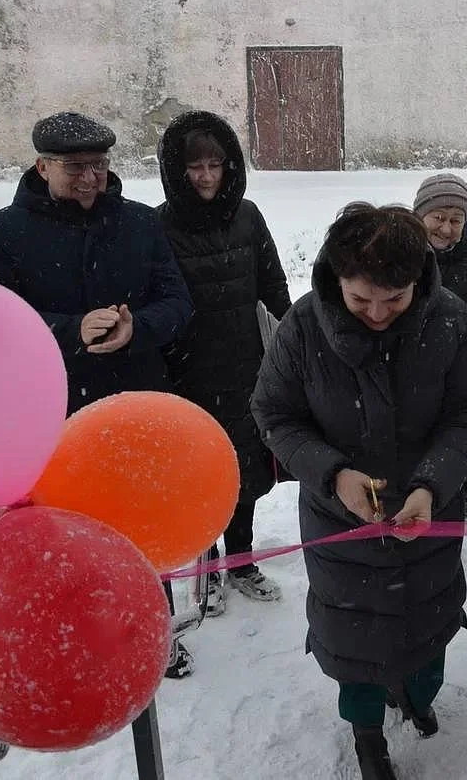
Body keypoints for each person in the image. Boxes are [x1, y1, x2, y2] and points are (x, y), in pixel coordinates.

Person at [251, 203, 467, 780]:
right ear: (336, 280)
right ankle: (366, 734)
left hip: (426, 512)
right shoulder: (304, 326)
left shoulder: (449, 321)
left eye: (395, 299)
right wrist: (333, 474)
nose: (379, 314)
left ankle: (418, 693)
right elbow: (275, 413)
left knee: (430, 618)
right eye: (362, 301)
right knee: (352, 636)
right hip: (340, 520)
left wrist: (433, 482)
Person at [0, 111, 194, 678]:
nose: (91, 178)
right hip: (54, 408)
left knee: (143, 521)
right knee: (67, 529)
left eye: (99, 165)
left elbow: (177, 301)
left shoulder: (142, 224)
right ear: (42, 166)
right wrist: (72, 329)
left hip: (136, 402)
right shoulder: (4, 231)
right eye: (75, 168)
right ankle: (83, 632)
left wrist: (135, 327)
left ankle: (152, 630)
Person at [157, 110, 292, 619]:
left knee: (244, 470)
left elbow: (274, 287)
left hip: (245, 369)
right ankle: (204, 561)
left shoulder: (249, 215)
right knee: (197, 476)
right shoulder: (159, 225)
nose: (207, 176)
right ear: (177, 169)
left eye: (215, 164)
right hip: (187, 373)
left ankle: (240, 559)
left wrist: (301, 339)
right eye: (195, 167)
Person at [413, 172, 467, 517]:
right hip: (415, 366)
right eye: (438, 218)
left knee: (460, 435)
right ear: (420, 215)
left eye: (456, 220)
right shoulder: (405, 253)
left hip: (462, 365)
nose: (446, 228)